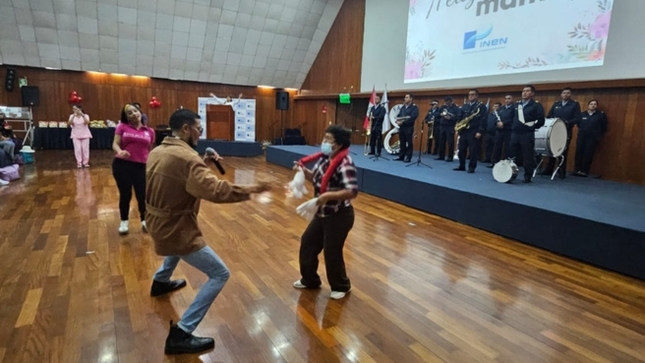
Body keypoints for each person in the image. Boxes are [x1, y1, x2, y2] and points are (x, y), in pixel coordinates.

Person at [145, 108, 271, 355]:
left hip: (156, 222)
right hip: (174, 229)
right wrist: (253, 190)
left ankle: (160, 281)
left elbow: (179, 180)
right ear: (185, 129)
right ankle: (182, 333)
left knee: (179, 247)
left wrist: (203, 164)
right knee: (219, 273)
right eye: (198, 130)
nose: (200, 135)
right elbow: (216, 191)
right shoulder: (187, 159)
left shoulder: (159, 150)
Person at [292, 125, 358, 300]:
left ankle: (342, 286)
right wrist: (303, 172)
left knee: (332, 251)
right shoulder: (324, 159)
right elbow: (317, 178)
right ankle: (310, 280)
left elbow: (351, 191)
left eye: (329, 139)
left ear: (338, 144)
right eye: (325, 138)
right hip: (322, 213)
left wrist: (328, 196)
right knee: (308, 243)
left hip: (339, 216)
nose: (324, 142)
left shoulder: (346, 163)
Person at [112, 103, 155, 235]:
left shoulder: (149, 131)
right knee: (125, 194)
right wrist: (120, 151)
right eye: (129, 113)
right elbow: (115, 143)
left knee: (142, 195)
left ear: (140, 112)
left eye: (135, 111)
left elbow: (149, 149)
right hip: (122, 165)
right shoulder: (122, 127)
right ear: (127, 117)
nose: (133, 114)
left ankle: (145, 220)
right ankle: (124, 221)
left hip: (141, 166)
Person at [509, 85, 545, 183]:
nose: (524, 93)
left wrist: (533, 127)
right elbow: (511, 117)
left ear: (532, 93)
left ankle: (527, 176)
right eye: (523, 91)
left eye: (527, 91)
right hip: (515, 133)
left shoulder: (536, 105)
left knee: (527, 156)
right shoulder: (517, 104)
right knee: (511, 154)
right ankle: (508, 173)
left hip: (527, 134)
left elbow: (541, 120)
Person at [544, 87, 581, 178]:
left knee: (562, 150)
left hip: (566, 131)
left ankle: (561, 171)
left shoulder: (574, 104)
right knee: (551, 148)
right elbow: (549, 116)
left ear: (570, 94)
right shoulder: (557, 104)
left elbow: (577, 118)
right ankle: (549, 169)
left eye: (568, 93)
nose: (566, 94)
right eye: (564, 93)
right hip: (553, 130)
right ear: (561, 94)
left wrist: (567, 122)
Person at [455, 89, 487, 173]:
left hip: (474, 131)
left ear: (477, 96)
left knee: (473, 151)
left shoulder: (481, 106)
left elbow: (483, 120)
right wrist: (458, 127)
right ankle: (461, 165)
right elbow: (460, 116)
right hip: (463, 130)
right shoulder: (465, 105)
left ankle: (472, 167)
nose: (470, 96)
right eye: (469, 95)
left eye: (473, 95)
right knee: (461, 149)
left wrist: (480, 131)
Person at [574, 99, 607, 176]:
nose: (593, 105)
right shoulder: (582, 114)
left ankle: (584, 171)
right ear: (588, 105)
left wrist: (597, 133)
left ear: (597, 106)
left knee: (588, 153)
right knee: (579, 152)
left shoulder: (600, 115)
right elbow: (579, 125)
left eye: (595, 104)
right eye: (591, 104)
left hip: (592, 137)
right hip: (582, 136)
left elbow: (604, 126)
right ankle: (577, 170)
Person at [435, 96, 462, 161]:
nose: (446, 104)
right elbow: (436, 114)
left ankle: (450, 156)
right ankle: (441, 156)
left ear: (451, 101)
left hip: (450, 126)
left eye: (448, 102)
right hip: (442, 126)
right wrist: (441, 114)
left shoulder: (455, 108)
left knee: (450, 142)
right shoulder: (443, 107)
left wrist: (450, 118)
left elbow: (458, 117)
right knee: (441, 142)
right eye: (445, 102)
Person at [395, 93, 419, 162]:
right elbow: (399, 115)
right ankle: (401, 156)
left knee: (409, 143)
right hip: (402, 127)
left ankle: (408, 157)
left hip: (408, 127)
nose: (405, 99)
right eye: (405, 97)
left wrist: (403, 122)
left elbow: (413, 117)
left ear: (411, 99)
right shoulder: (403, 107)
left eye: (407, 97)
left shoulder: (414, 108)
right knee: (402, 142)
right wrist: (397, 121)